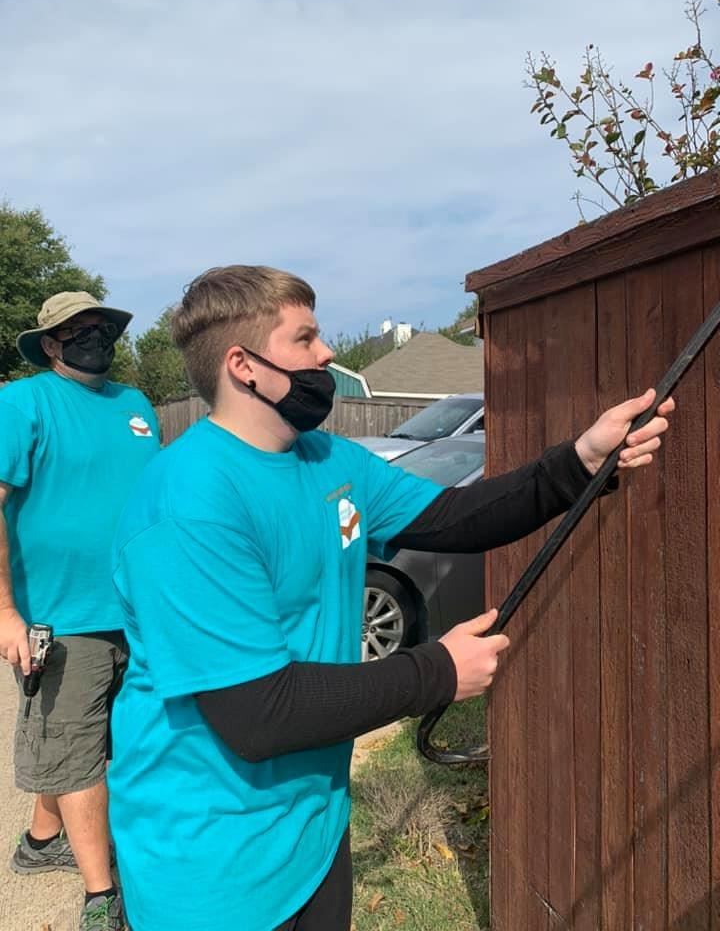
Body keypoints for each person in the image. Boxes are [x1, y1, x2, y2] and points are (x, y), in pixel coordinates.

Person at [109, 265, 673, 931]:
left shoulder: (328, 459)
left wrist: (578, 462)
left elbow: (454, 518)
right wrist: (437, 672)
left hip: (314, 831)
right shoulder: (188, 502)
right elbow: (257, 714)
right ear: (244, 365)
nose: (328, 354)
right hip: (209, 863)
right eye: (305, 338)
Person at [0, 291, 161, 931]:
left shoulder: (136, 405)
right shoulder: (22, 403)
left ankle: (42, 841)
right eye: (78, 330)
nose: (95, 337)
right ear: (50, 344)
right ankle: (101, 899)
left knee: (80, 742)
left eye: (103, 327)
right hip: (61, 619)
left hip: (139, 612)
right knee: (73, 749)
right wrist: (5, 613)